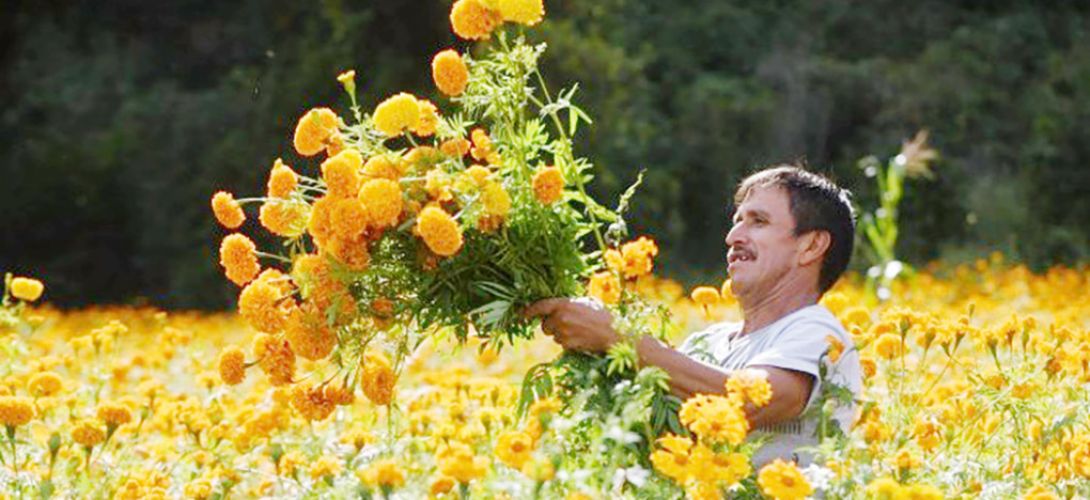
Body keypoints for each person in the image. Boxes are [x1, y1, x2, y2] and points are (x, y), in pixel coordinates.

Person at [523, 165, 863, 466]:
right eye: (736, 223)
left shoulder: (818, 333)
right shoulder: (706, 342)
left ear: (811, 246)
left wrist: (617, 336)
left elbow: (746, 404)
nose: (733, 238)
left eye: (758, 222)